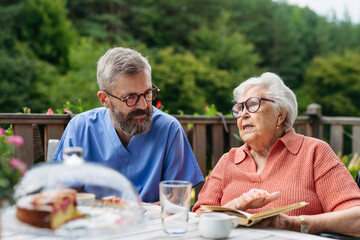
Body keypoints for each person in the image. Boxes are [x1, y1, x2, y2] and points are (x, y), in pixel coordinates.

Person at [193, 72, 360, 236]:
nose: (243, 114)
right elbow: (198, 218)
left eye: (252, 104)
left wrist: (292, 224)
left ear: (280, 115)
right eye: (240, 108)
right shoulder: (228, 161)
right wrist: (236, 205)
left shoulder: (314, 152)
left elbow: (356, 218)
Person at [52, 47, 204, 202]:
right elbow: (64, 197)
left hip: (152, 226)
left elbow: (176, 200)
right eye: (130, 97)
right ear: (105, 99)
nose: (143, 105)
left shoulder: (169, 129)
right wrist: (116, 209)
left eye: (147, 93)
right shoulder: (80, 129)